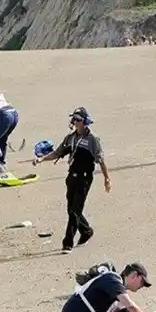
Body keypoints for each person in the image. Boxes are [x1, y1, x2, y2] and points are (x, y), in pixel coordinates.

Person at [33, 107, 111, 253]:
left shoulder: (93, 140)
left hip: (85, 178)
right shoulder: (70, 138)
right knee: (71, 209)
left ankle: (67, 243)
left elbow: (101, 160)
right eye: (74, 119)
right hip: (71, 177)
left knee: (75, 210)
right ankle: (86, 231)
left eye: (78, 120)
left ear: (84, 121)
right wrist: (42, 159)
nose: (75, 122)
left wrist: (107, 178)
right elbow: (58, 152)